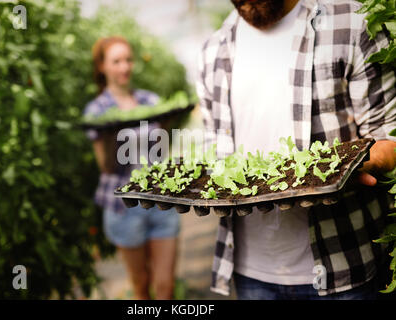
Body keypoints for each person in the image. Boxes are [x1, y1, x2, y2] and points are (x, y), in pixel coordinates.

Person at [196, 0, 395, 300]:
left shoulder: (352, 24)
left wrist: (354, 165)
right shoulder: (212, 51)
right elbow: (214, 145)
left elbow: (389, 135)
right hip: (250, 273)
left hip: (344, 266)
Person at [83, 36, 180, 300]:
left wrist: (167, 122)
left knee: (165, 286)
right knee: (140, 284)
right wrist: (115, 133)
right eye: (116, 61)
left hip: (161, 201)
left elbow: (160, 152)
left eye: (127, 59)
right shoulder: (97, 111)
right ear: (102, 67)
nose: (124, 67)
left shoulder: (150, 101)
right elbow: (106, 166)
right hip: (124, 207)